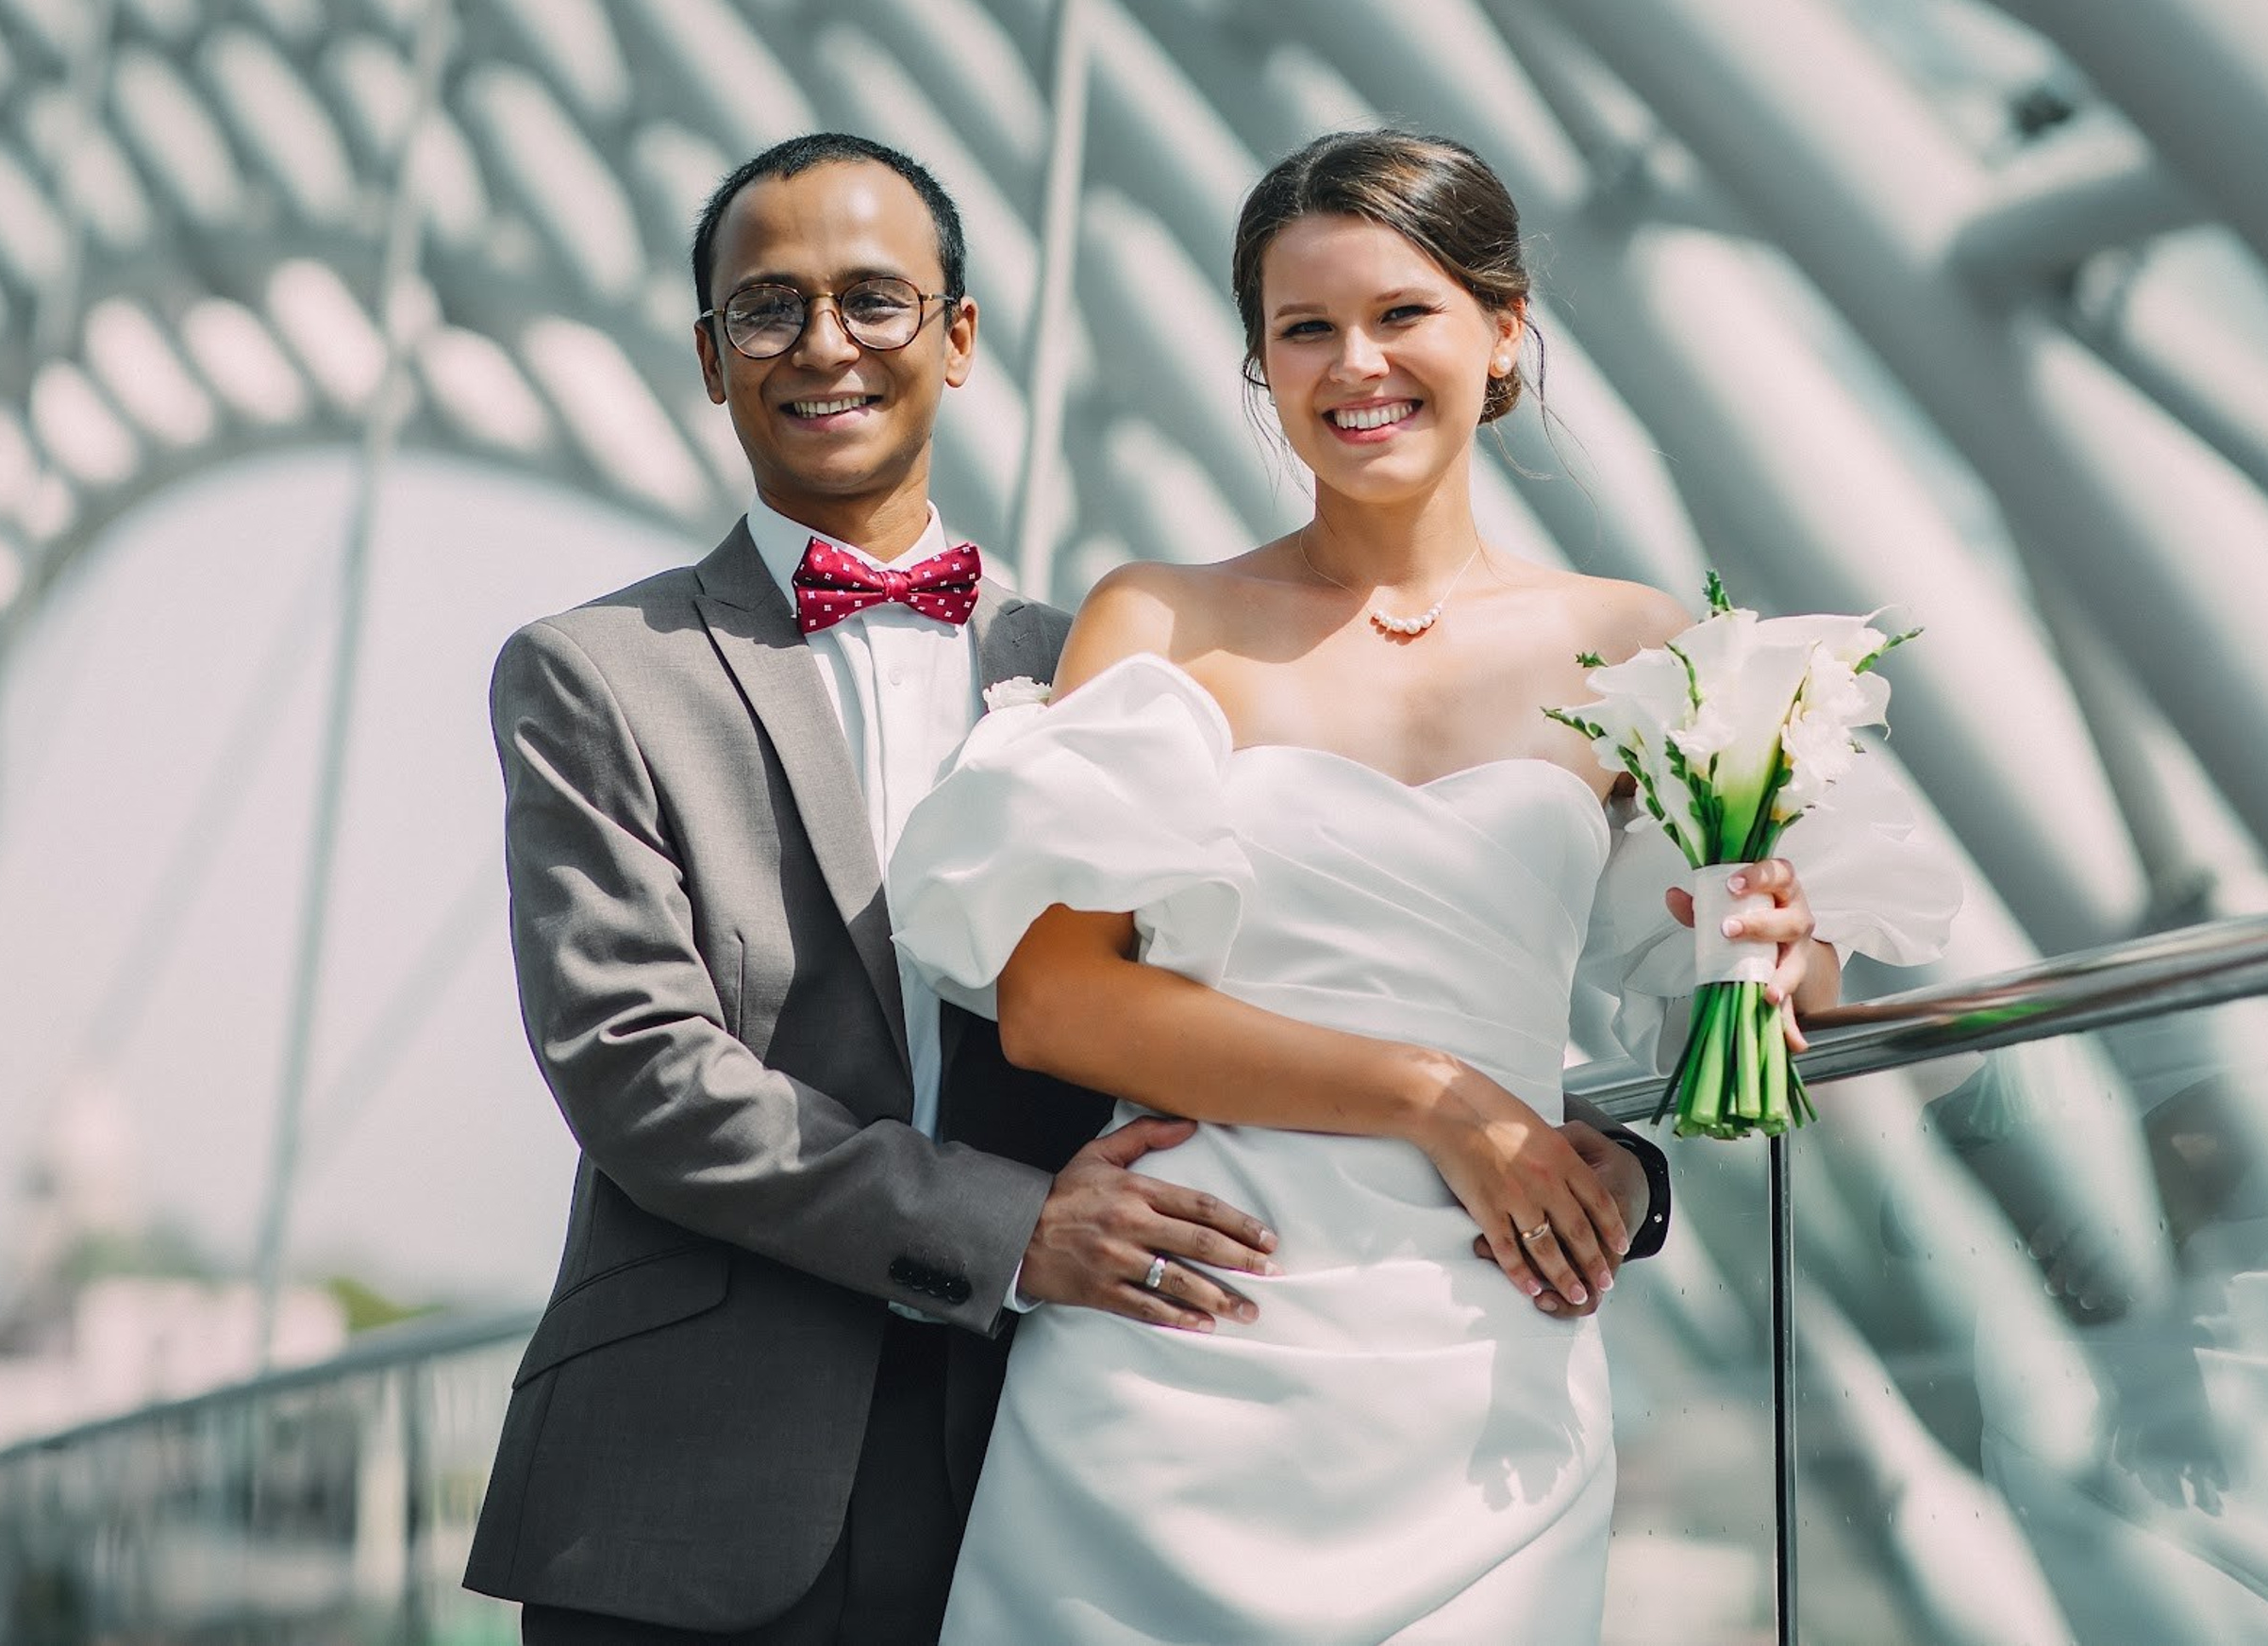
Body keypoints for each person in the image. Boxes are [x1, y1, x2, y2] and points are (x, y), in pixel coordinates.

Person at [465, 131, 1667, 1645]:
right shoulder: (596, 674)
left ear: (959, 336)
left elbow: (1409, 966)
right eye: (767, 310)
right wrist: (1008, 1230)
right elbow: (638, 1070)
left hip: (1061, 1410)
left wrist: (1616, 1155)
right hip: (709, 1466)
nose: (823, 344)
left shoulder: (1096, 659)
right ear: (711, 359)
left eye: (874, 300)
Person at [891, 129, 1959, 1645]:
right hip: (1183, 1347)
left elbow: (1750, 1010)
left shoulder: (1638, 645)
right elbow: (1057, 1005)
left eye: (1403, 313)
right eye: (1303, 329)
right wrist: (1437, 1096)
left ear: (1504, 331)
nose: (1354, 365)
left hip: (1490, 1371)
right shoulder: (1164, 614)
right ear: (1261, 370)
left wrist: (1780, 947)